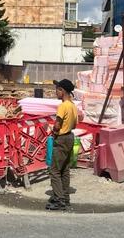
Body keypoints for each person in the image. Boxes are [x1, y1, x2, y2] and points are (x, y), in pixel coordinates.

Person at [46, 79, 78, 211]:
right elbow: (75, 124)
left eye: (57, 89)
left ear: (62, 91)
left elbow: (57, 124)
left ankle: (59, 200)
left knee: (54, 170)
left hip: (62, 139)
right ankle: (65, 197)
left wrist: (53, 132)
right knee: (64, 170)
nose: (55, 92)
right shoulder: (73, 106)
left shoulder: (63, 106)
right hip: (70, 137)